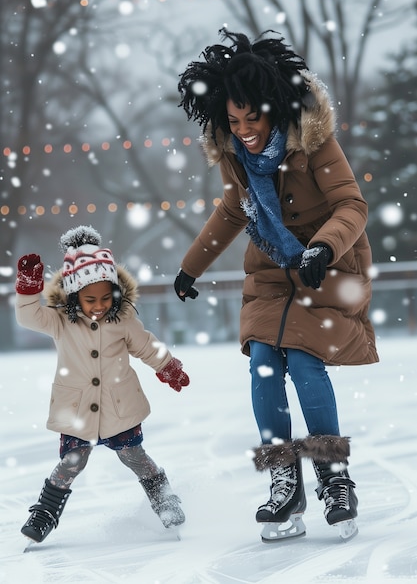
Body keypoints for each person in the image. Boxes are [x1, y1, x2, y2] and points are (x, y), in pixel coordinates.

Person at [174, 28, 378, 541]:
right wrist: (189, 267)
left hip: (326, 267)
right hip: (270, 270)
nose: (244, 130)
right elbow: (230, 211)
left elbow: (352, 205)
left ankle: (333, 474)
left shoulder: (313, 142)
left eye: (252, 118)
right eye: (233, 120)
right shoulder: (235, 156)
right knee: (264, 362)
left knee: (305, 361)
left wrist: (324, 247)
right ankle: (284, 479)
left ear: (275, 109)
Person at [15, 225, 190, 544]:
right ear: (73, 295)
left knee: (134, 456)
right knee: (72, 462)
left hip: (118, 405)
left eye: (106, 297)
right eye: (90, 298)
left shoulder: (121, 320)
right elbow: (29, 318)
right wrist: (28, 290)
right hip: (78, 408)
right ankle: (45, 512)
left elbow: (146, 345)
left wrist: (167, 366)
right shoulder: (61, 320)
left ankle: (164, 500)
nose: (99, 305)